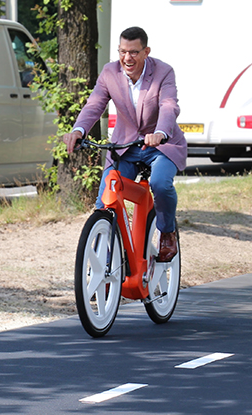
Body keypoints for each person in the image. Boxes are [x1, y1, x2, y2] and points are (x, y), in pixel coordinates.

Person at [63, 26, 187, 262]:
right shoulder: (110, 72)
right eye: (122, 52)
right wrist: (78, 130)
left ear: (146, 51)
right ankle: (106, 261)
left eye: (134, 52)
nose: (127, 58)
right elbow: (94, 104)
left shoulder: (163, 72)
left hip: (160, 146)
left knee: (160, 184)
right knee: (105, 201)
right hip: (125, 148)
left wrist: (160, 132)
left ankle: (167, 232)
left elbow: (169, 105)